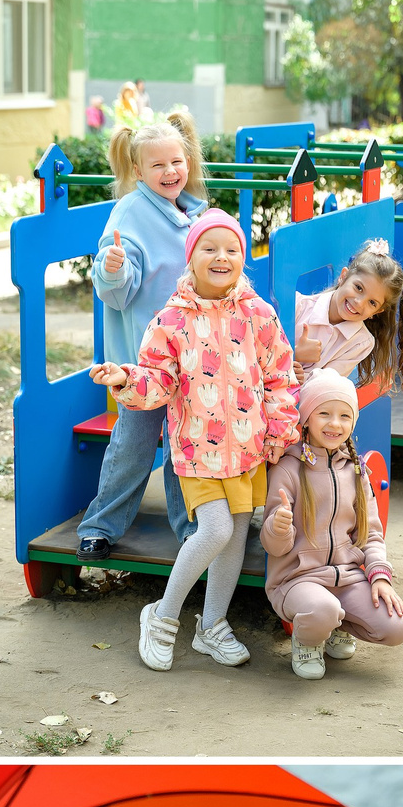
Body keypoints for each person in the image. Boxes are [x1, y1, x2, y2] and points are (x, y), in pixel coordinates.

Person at [94, 211, 299, 672]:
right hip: (197, 452)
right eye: (210, 248)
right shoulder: (171, 319)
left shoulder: (259, 314)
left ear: (243, 258)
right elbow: (157, 381)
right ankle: (162, 617)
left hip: (249, 450)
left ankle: (212, 626)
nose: (221, 256)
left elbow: (281, 377)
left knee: (234, 540)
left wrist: (280, 429)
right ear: (192, 258)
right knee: (216, 530)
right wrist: (126, 376)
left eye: (231, 249)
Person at [77, 112, 207, 559]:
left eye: (177, 161)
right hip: (142, 364)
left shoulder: (193, 213)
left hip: (191, 359)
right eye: (158, 166)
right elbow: (116, 285)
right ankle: (99, 526)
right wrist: (112, 270)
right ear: (138, 171)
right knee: (132, 445)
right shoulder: (130, 212)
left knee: (183, 446)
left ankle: (190, 530)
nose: (170, 171)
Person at [262, 371, 403, 680]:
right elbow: (273, 546)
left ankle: (339, 625)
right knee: (322, 610)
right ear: (306, 418)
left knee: (396, 626)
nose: (335, 424)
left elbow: (371, 533)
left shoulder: (357, 470)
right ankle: (308, 641)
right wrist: (279, 527)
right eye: (324, 413)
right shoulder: (288, 469)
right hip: (297, 580)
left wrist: (379, 576)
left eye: (345, 415)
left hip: (348, 577)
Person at [291, 239, 403, 394]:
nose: (359, 303)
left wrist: (298, 376)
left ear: (377, 311)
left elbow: (325, 386)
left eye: (372, 302)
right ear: (343, 276)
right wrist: (295, 353)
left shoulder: (361, 342)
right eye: (358, 287)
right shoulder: (298, 306)